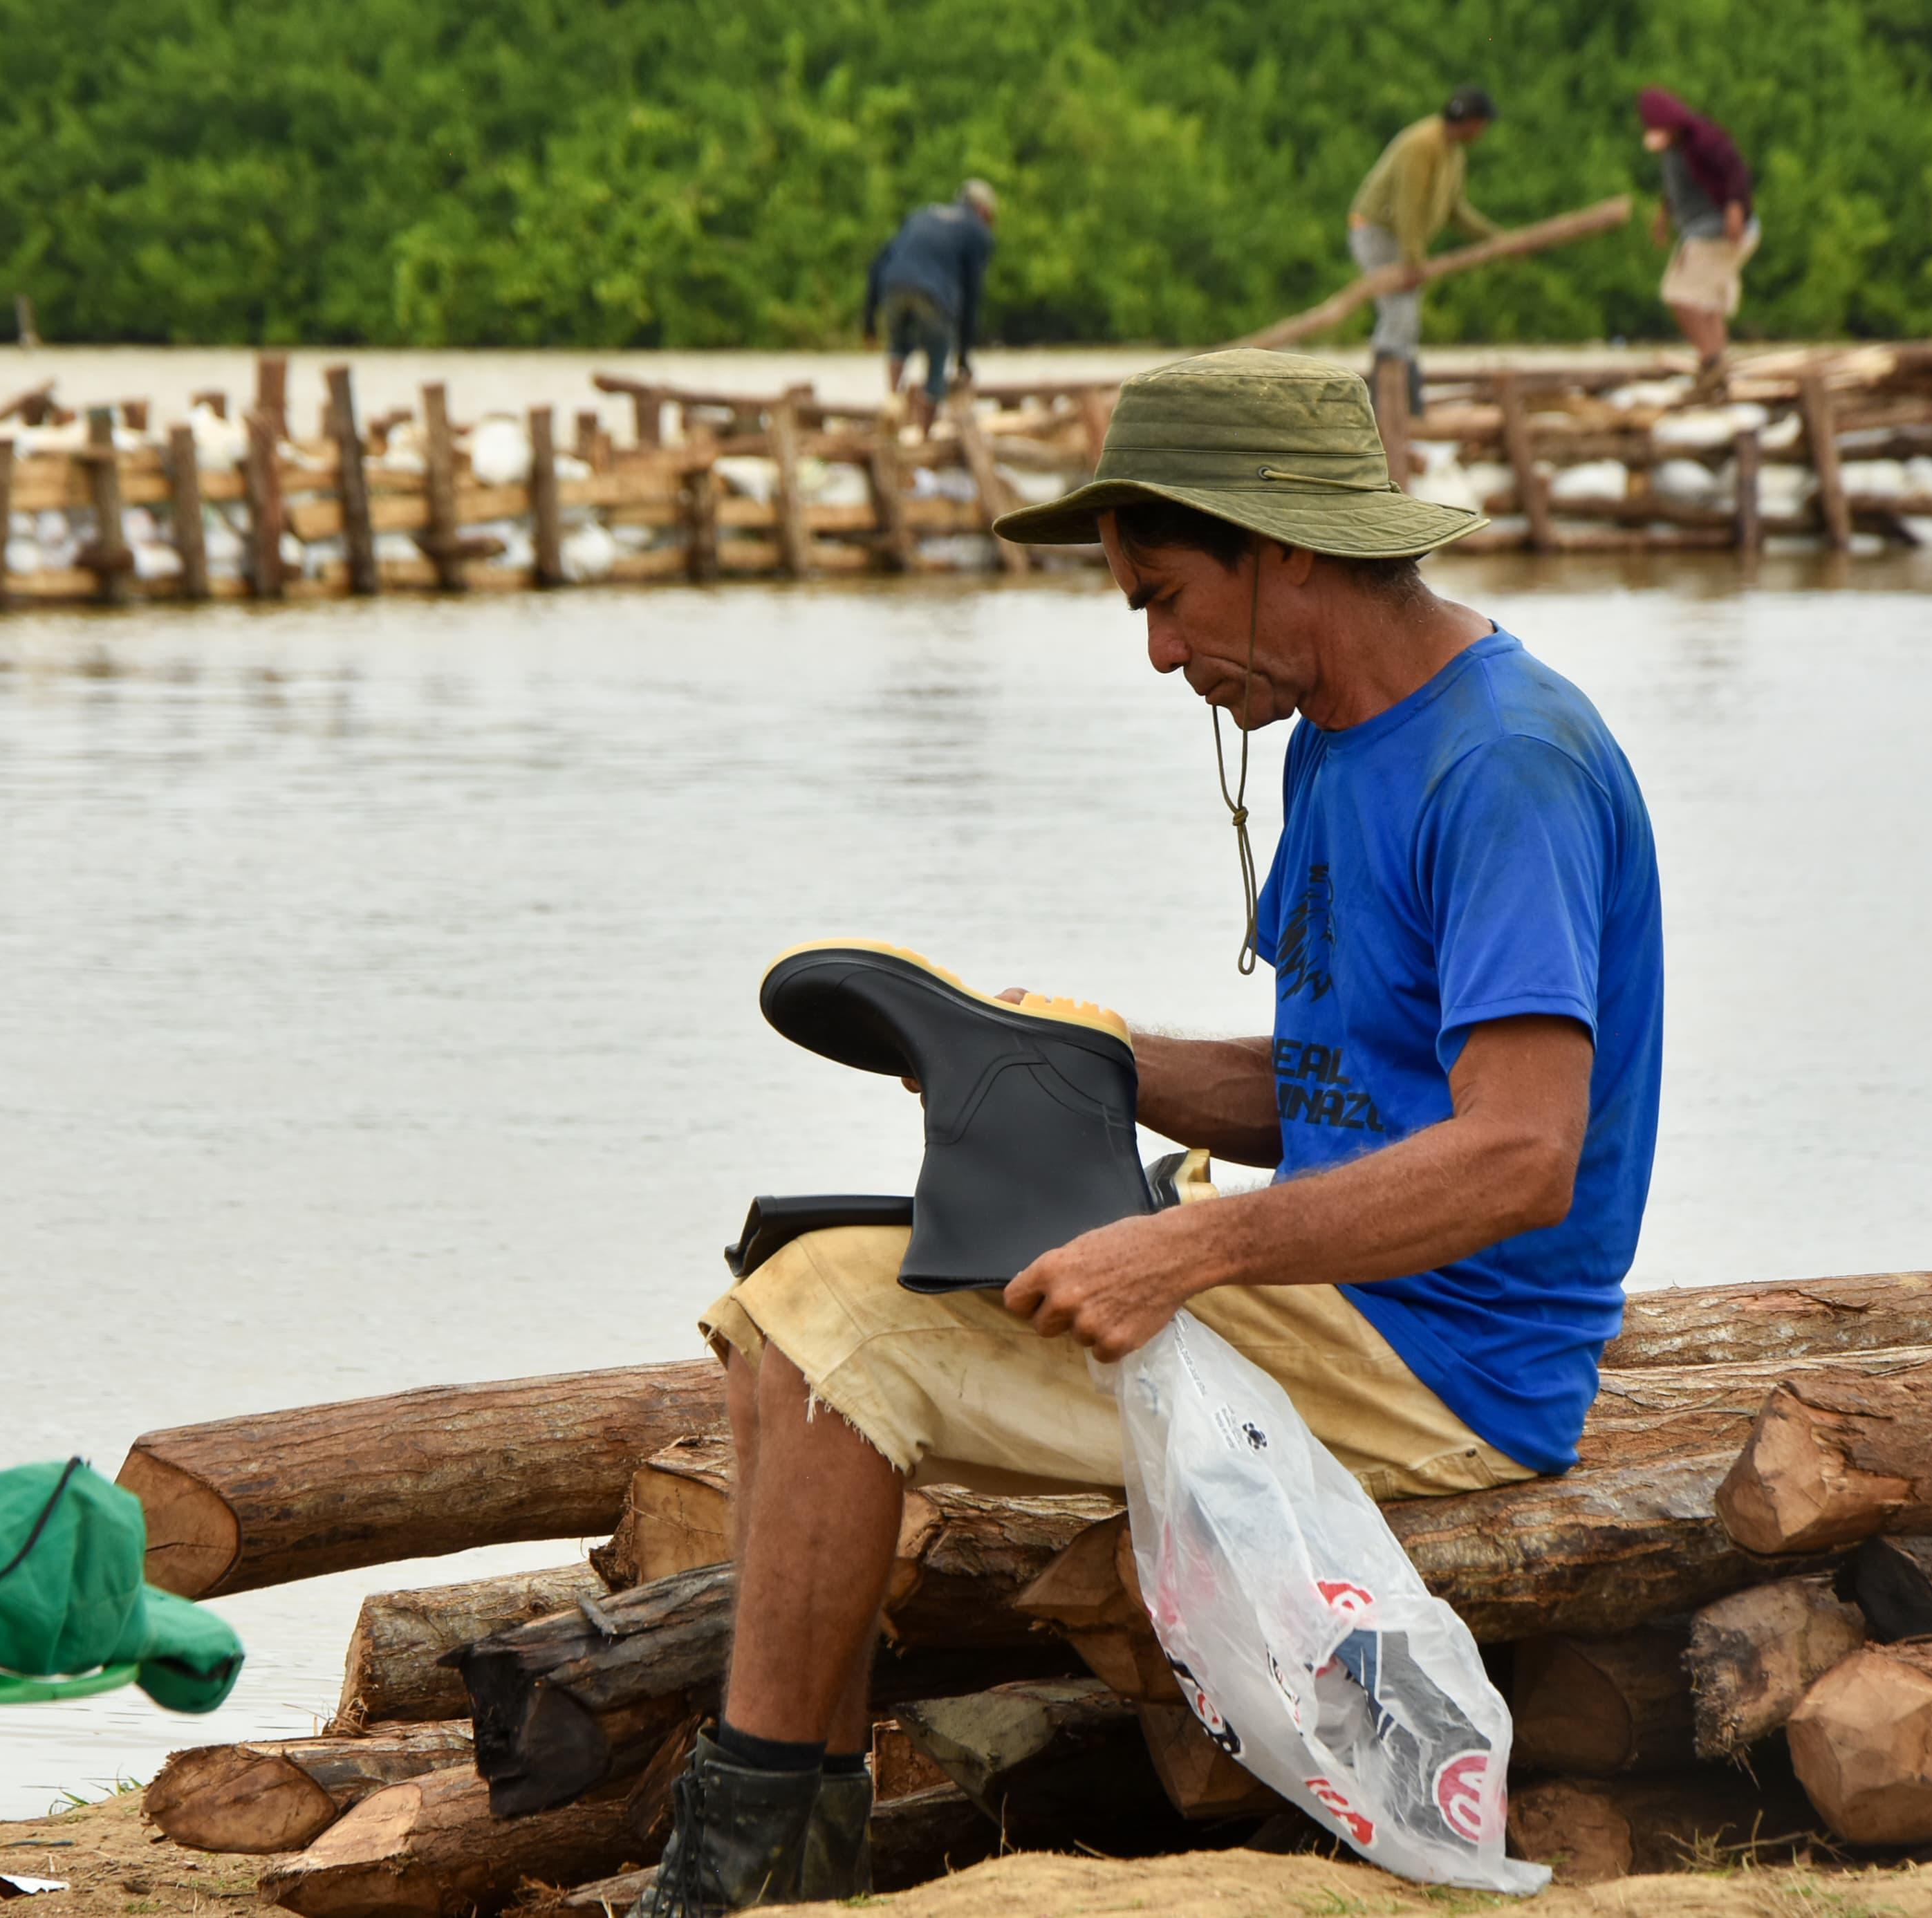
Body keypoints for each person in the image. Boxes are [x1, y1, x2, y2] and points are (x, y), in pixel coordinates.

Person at [635, 349, 1664, 1917]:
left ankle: (733, 1880)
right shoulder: (1339, 733)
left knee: (828, 1326)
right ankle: (789, 1863)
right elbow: (1334, 1084)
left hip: (1450, 1361)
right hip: (1343, 1300)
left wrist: (1185, 1246)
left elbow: (1521, 1153)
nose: (1162, 649)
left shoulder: (1503, 760)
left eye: (1166, 598)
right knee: (797, 1275)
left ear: (1291, 547)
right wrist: (1083, 1064)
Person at [1346, 86, 1501, 425]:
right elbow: (1407, 206)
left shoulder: (1453, 153)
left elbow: (1454, 209)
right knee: (1399, 316)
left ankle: (1398, 404)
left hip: (1399, 239)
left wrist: (1494, 238)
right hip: (1377, 232)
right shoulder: (1422, 144)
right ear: (1471, 122)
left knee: (1405, 319)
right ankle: (1389, 406)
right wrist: (1413, 259)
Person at [1638, 88, 1758, 382]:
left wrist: (1734, 207)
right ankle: (1719, 362)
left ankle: (1711, 361)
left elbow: (1735, 169)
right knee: (1707, 302)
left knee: (1680, 295)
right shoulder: (1674, 149)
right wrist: (1664, 215)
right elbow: (1677, 187)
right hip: (1703, 232)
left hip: (1719, 232)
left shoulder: (1703, 139)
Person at [863, 180, 996, 431]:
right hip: (933, 296)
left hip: (892, 286)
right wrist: (964, 355)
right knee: (937, 359)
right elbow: (971, 294)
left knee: (898, 347)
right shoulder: (976, 232)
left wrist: (869, 320)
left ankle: (893, 411)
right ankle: (924, 437)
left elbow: (877, 265)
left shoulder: (922, 215)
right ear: (983, 211)